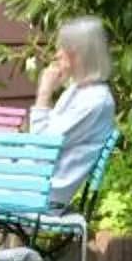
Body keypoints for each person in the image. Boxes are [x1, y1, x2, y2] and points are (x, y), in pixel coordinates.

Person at [27, 15, 119, 209]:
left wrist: (44, 93)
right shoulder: (77, 91)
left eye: (62, 48)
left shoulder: (94, 101)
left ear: (79, 55)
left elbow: (41, 148)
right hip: (35, 183)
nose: (57, 55)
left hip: (43, 193)